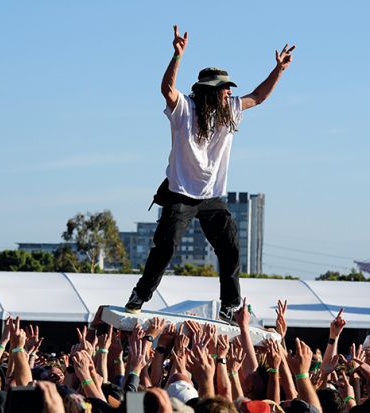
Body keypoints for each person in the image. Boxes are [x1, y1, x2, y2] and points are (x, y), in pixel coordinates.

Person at [124, 25, 295, 323]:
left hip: (211, 198)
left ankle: (230, 305)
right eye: (224, 88)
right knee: (166, 247)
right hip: (180, 193)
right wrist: (176, 57)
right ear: (209, 92)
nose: (229, 92)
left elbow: (258, 96)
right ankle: (140, 294)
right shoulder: (185, 110)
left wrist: (278, 70)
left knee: (229, 246)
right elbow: (166, 90)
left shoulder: (230, 111)